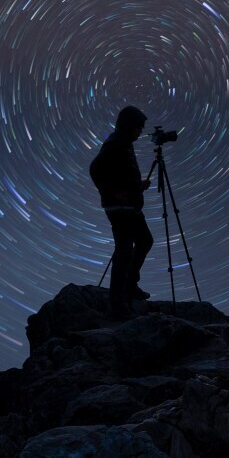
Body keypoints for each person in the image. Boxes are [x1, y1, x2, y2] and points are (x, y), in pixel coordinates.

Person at [89, 105, 155, 318]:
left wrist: (137, 186)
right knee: (124, 250)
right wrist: (113, 193)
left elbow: (121, 174)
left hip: (130, 206)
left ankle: (129, 284)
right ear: (129, 126)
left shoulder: (123, 143)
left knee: (144, 241)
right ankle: (117, 303)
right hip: (120, 208)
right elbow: (96, 169)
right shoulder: (115, 143)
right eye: (139, 127)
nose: (141, 131)